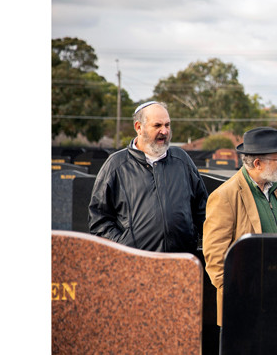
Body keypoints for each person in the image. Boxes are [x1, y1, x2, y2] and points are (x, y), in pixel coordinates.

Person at [202, 127, 277, 326]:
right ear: (257, 163)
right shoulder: (224, 196)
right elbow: (215, 259)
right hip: (244, 308)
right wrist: (240, 295)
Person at [89, 101, 208, 253]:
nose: (164, 131)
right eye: (157, 125)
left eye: (167, 125)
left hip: (181, 264)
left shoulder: (182, 160)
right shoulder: (116, 165)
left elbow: (202, 210)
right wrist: (124, 247)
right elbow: (99, 221)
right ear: (138, 127)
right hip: (135, 267)